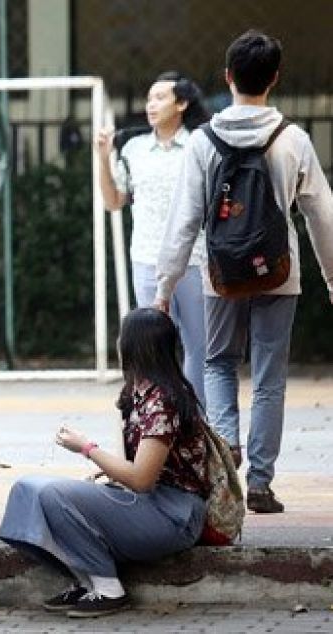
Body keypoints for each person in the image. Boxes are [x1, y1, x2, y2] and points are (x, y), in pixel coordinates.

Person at [155, 30, 333, 514]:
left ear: (227, 76)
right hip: (280, 274)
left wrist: (165, 286)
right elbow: (322, 215)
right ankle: (260, 483)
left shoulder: (203, 141)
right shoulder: (293, 139)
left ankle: (226, 443)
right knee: (271, 378)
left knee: (217, 364)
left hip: (221, 275)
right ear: (275, 77)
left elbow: (184, 220)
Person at [0, 308, 210, 618]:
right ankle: (85, 580)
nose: (117, 343)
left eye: (121, 336)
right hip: (152, 502)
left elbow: (141, 479)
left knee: (53, 496)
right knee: (26, 488)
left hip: (175, 515)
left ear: (133, 345)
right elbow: (145, 467)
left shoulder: (163, 399)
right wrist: (108, 469)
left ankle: (108, 588)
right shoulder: (139, 392)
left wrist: (87, 448)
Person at [95, 71, 212, 405]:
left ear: (182, 103)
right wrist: (104, 158)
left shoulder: (198, 145)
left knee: (199, 348)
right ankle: (161, 421)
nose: (151, 105)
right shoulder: (133, 149)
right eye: (149, 98)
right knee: (153, 348)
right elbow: (113, 201)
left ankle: (196, 422)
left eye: (160, 97)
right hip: (146, 259)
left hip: (195, 259)